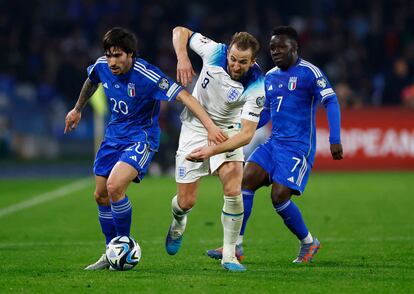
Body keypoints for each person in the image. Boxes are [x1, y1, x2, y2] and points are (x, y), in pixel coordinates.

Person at [64, 27, 227, 270]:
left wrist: (211, 127)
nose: (112, 61)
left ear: (131, 54)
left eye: (118, 55)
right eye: (109, 55)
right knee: (100, 195)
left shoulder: (147, 74)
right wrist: (77, 109)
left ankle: (124, 244)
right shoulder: (101, 66)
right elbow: (91, 80)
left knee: (114, 186)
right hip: (113, 136)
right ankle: (111, 252)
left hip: (141, 137)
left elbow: (184, 96)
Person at [205, 26, 343, 263]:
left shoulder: (310, 73)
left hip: (297, 147)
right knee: (245, 180)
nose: (276, 51)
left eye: (281, 47)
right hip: (273, 143)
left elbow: (331, 101)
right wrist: (240, 130)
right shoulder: (269, 77)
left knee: (279, 196)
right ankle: (236, 246)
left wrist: (335, 139)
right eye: (272, 48)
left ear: (294, 47)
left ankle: (309, 242)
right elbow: (266, 113)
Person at [164, 26, 265, 272]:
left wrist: (212, 150)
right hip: (195, 127)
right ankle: (178, 219)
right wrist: (183, 57)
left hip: (227, 132)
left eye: (243, 62)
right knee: (187, 201)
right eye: (233, 59)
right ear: (228, 52)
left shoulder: (257, 85)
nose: (235, 65)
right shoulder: (214, 51)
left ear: (252, 61)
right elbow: (180, 31)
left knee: (233, 188)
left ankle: (229, 255)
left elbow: (246, 134)